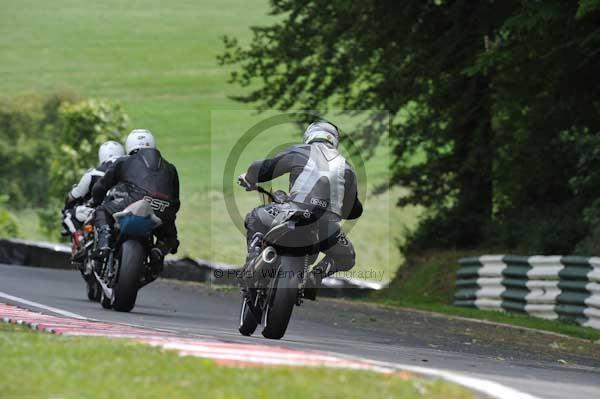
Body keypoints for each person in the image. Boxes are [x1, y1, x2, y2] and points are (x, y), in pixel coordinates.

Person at [238, 121, 363, 298]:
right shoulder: (347, 168)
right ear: (334, 141)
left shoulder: (300, 151)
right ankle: (315, 277)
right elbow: (353, 210)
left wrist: (249, 177)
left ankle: (253, 260)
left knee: (255, 218)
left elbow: (263, 168)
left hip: (291, 212)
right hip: (327, 227)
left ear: (310, 136)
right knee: (346, 257)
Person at [90, 129, 180, 269]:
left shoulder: (124, 162)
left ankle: (105, 242)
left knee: (102, 211)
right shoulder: (170, 167)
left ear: (129, 145)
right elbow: (176, 201)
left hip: (135, 201)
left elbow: (100, 186)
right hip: (164, 207)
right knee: (170, 236)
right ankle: (160, 248)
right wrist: (167, 214)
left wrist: (95, 202)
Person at [62, 141, 125, 257]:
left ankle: (79, 240)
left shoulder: (93, 173)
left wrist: (68, 202)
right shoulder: (130, 170)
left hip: (100, 210)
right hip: (127, 208)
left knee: (69, 215)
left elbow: (75, 195)